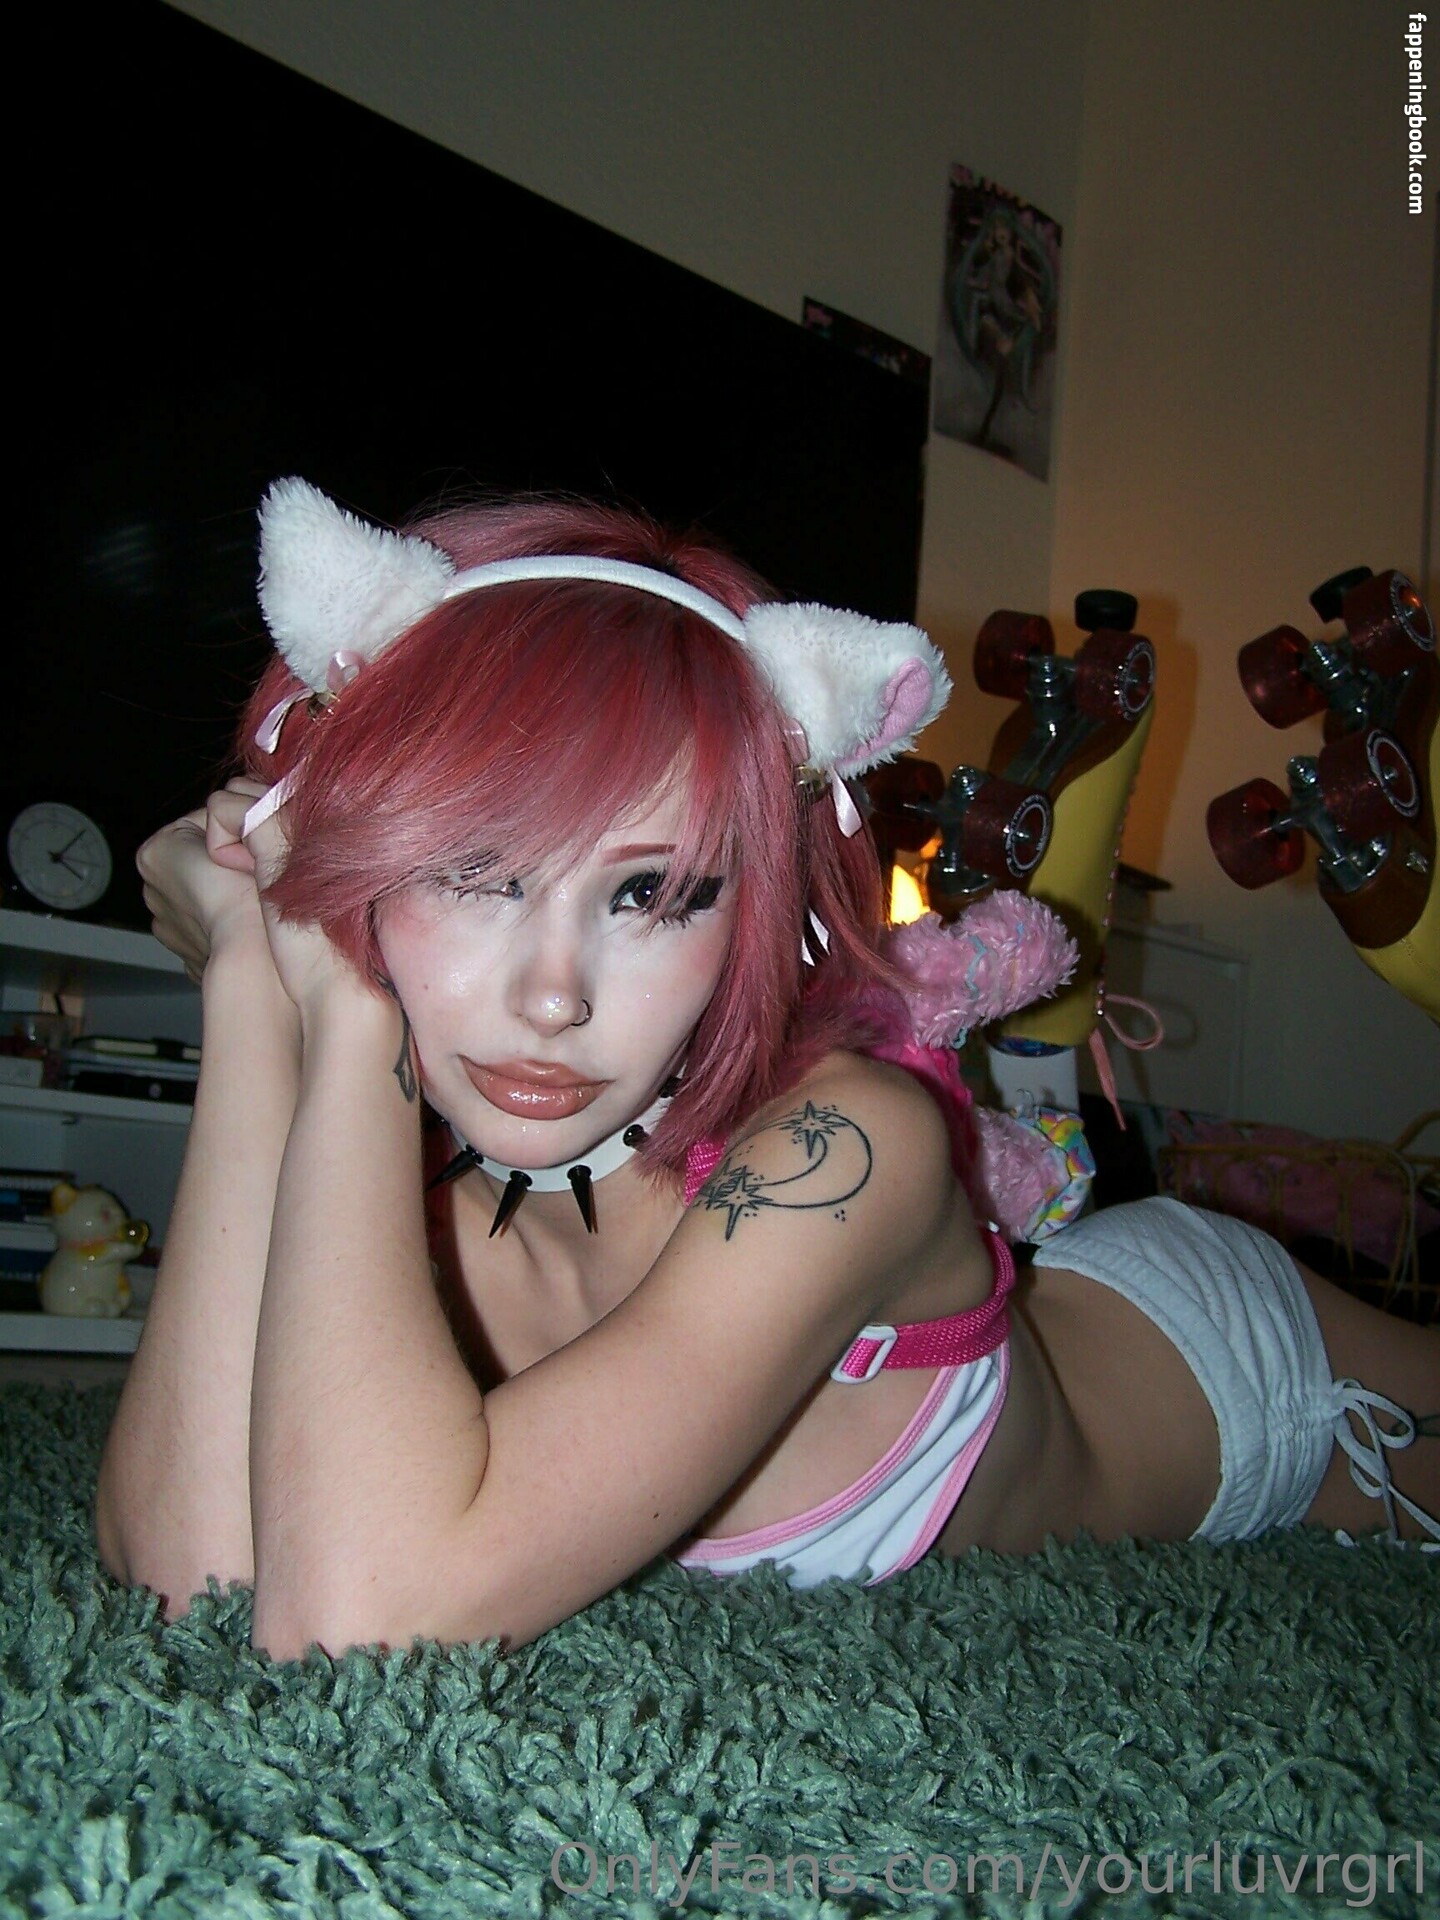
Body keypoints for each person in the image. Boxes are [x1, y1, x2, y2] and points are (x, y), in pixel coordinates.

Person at [94, 480, 1440, 1663]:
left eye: (651, 893)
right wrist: (257, 989)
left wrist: (347, 1026)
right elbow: (195, 1584)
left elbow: (362, 1616)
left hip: (1251, 1380)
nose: (553, 994)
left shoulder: (845, 1148)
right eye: (474, 873)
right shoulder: (423, 1239)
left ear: (755, 917)